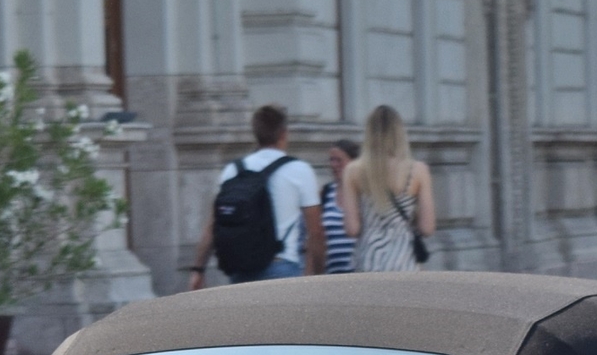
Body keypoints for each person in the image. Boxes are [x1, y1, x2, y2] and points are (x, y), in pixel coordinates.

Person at [187, 105, 324, 287]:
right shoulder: (299, 170)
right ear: (284, 133)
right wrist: (320, 274)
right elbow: (315, 232)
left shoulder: (233, 170)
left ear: (255, 133)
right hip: (281, 267)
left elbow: (213, 225)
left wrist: (198, 269)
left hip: (240, 270)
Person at [340, 104, 436, 273]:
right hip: (404, 262)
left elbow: (352, 229)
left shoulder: (353, 171)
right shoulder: (418, 170)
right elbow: (427, 227)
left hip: (369, 261)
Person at [320, 138, 360, 274]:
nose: (334, 164)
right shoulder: (325, 193)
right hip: (332, 275)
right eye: (331, 160)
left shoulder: (364, 194)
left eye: (339, 160)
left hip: (360, 272)